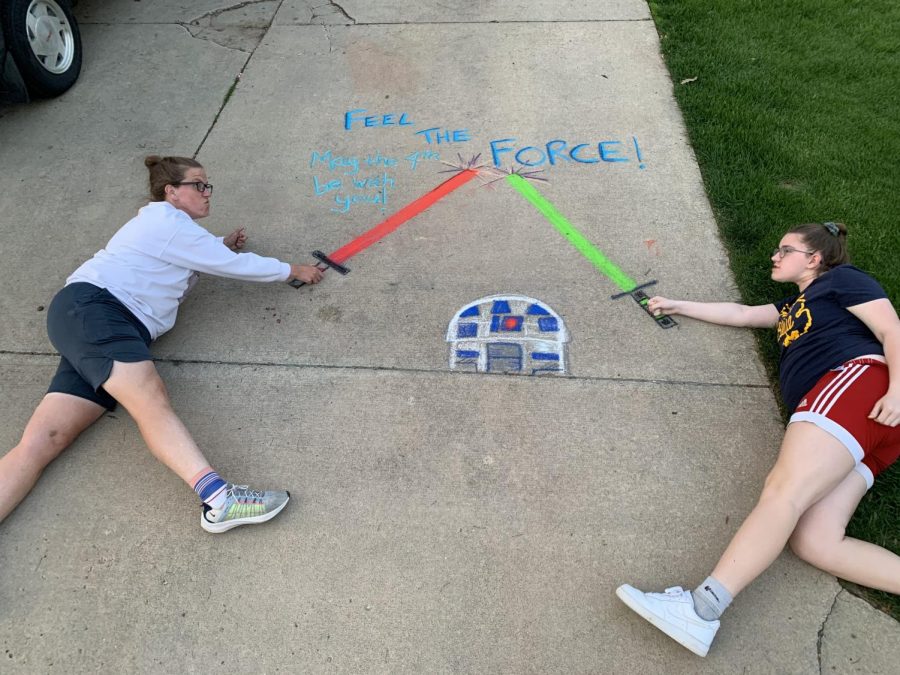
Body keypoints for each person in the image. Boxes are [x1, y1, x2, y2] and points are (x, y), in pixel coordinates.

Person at [617, 222, 900, 657]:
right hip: (868, 427)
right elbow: (744, 313)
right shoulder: (792, 306)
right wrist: (677, 304)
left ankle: (702, 608)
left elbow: (892, 329)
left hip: (854, 385)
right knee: (814, 540)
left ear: (814, 259)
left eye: (785, 250)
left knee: (784, 492)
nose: (774, 256)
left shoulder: (843, 279)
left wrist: (897, 389)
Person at [0, 155, 324, 533]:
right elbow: (229, 265)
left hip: (89, 321)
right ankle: (220, 499)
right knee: (149, 398)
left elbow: (186, 260)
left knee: (46, 439)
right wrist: (292, 271)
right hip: (100, 312)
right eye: (198, 185)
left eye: (208, 185)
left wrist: (220, 245)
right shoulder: (165, 221)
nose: (207, 193)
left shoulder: (171, 231)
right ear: (171, 192)